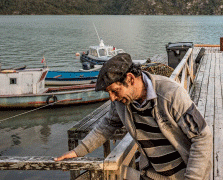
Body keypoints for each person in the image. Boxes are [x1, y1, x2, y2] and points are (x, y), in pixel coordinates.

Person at [55, 53, 212, 180]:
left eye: (115, 91)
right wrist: (78, 151)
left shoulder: (170, 94)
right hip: (151, 174)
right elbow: (107, 125)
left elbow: (202, 137)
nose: (112, 98)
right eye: (108, 93)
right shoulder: (121, 102)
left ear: (130, 78)